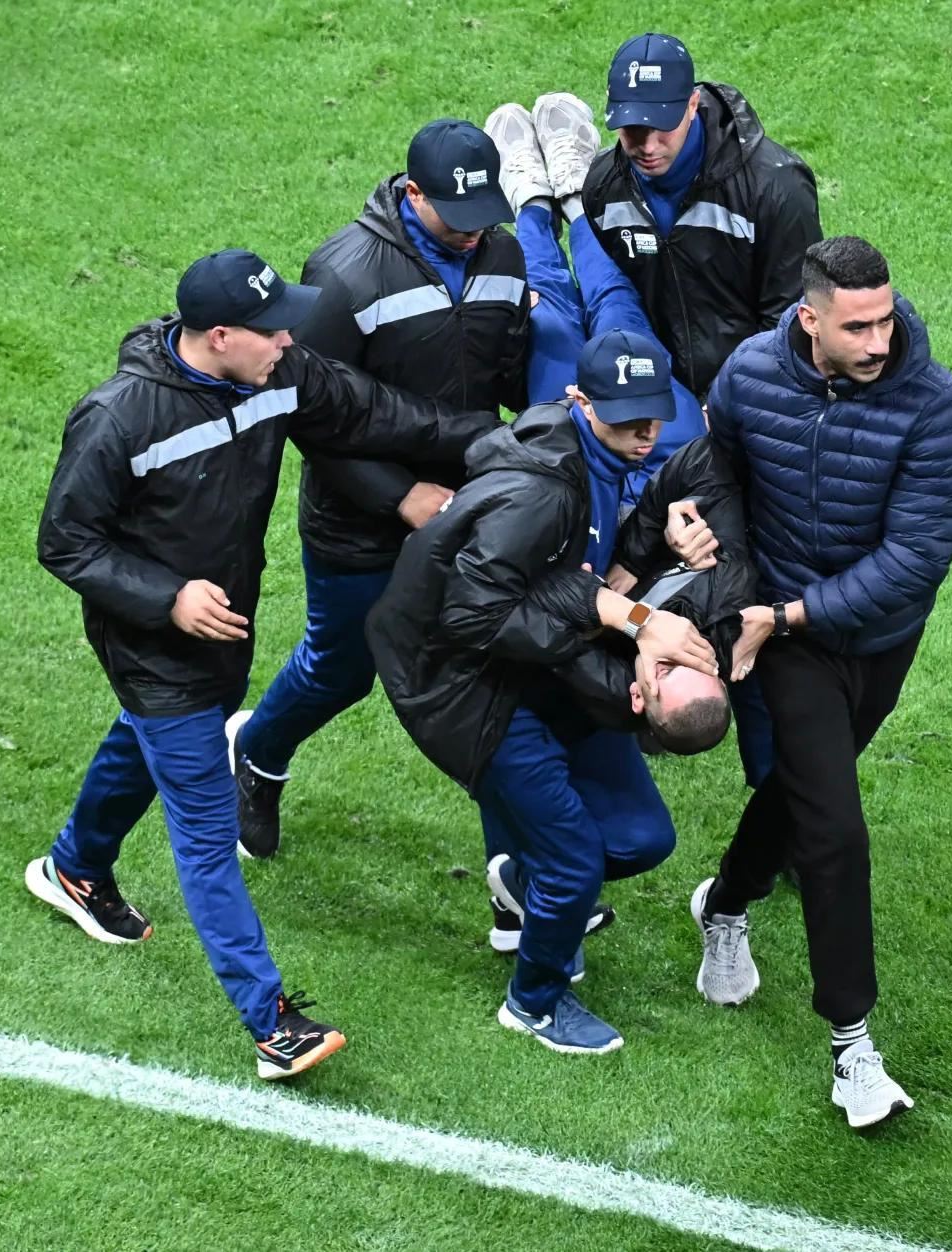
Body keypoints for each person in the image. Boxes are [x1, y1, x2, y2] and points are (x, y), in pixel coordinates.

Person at [27, 249, 498, 1081]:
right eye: (272, 328)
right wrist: (168, 598)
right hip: (152, 642)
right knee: (206, 834)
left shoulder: (278, 375)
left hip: (223, 630)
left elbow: (381, 415)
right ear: (219, 336)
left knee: (150, 740)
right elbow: (66, 541)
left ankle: (75, 866)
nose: (289, 338)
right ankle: (271, 1020)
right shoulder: (119, 417)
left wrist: (513, 437)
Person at [367, 329, 725, 1055]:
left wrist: (655, 544)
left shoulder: (603, 457)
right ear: (579, 401)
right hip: (466, 685)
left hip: (533, 662)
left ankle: (520, 880)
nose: (645, 432)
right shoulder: (541, 490)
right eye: (627, 418)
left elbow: (574, 569)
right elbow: (472, 615)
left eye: (654, 414)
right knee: (575, 862)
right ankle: (534, 1003)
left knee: (643, 837)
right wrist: (615, 614)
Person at [690, 236, 952, 1129]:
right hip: (787, 637)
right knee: (836, 830)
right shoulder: (749, 374)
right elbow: (717, 474)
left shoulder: (932, 401)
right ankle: (853, 1047)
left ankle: (724, 902)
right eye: (859, 327)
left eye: (886, 319)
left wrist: (792, 614)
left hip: (875, 636)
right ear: (810, 319)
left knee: (803, 788)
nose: (880, 341)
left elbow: (917, 556)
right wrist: (727, 571)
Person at [227, 120, 531, 861]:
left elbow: (506, 371)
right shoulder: (345, 274)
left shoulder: (503, 253)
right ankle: (258, 754)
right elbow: (306, 413)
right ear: (413, 193)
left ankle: (520, 872)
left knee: (491, 674)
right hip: (358, 522)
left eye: (484, 214)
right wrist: (399, 496)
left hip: (467, 505)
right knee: (342, 670)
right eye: (456, 216)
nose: (473, 233)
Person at [484, 95, 706, 508]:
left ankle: (531, 204)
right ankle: (579, 199)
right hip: (670, 443)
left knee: (546, 318)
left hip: (577, 442)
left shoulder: (551, 486)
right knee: (615, 302)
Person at [579, 32, 822, 399]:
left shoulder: (776, 187)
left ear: (692, 104)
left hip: (753, 392)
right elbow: (621, 299)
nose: (647, 146)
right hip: (657, 390)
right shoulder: (602, 188)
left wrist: (726, 402)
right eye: (633, 129)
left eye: (662, 125)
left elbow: (789, 321)